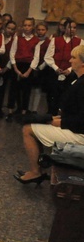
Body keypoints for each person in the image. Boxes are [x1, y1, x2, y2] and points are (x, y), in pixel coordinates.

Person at [15, 44, 84, 185]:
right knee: (34, 124)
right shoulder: (78, 80)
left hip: (80, 135)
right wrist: (58, 118)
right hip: (73, 126)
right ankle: (38, 169)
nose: (69, 61)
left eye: (73, 57)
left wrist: (61, 122)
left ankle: (35, 172)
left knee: (27, 130)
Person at [44, 17, 81, 115]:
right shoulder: (55, 40)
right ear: (64, 28)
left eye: (74, 28)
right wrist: (55, 68)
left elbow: (80, 58)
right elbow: (48, 57)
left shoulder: (80, 42)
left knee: (67, 95)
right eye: (70, 27)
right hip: (56, 72)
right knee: (53, 94)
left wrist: (70, 69)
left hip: (70, 73)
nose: (72, 30)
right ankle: (51, 114)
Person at [8, 18, 38, 120]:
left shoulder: (36, 40)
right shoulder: (18, 38)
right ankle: (10, 111)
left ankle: (24, 112)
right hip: (17, 65)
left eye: (29, 25)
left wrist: (29, 71)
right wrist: (15, 69)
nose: (27, 27)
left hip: (28, 67)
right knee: (13, 89)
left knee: (26, 90)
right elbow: (12, 53)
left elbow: (36, 57)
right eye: (25, 25)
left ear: (33, 27)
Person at [0, 20, 16, 119]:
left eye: (12, 29)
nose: (10, 30)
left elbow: (13, 55)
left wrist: (6, 68)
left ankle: (0, 109)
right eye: (8, 28)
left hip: (8, 67)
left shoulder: (14, 40)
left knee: (3, 89)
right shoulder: (0, 37)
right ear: (5, 27)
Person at [29, 21, 51, 114]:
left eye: (43, 30)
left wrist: (42, 66)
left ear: (46, 30)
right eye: (38, 29)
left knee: (38, 89)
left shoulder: (48, 42)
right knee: (29, 89)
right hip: (30, 67)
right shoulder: (32, 39)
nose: (40, 31)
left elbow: (49, 54)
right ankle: (28, 108)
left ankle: (34, 110)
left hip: (42, 68)